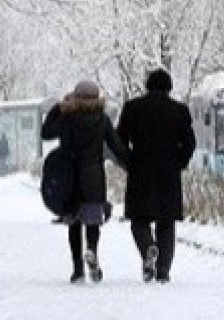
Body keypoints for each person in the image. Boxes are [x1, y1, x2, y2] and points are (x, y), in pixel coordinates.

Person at [41, 80, 128, 283]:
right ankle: (92, 251)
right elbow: (117, 146)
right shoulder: (103, 119)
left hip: (70, 176)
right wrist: (133, 164)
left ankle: (78, 270)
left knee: (74, 222)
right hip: (94, 177)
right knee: (93, 221)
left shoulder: (67, 117)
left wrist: (59, 107)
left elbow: (46, 133)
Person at [116, 68, 197, 284]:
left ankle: (147, 248)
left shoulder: (132, 108)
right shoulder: (180, 111)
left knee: (139, 220)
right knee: (166, 223)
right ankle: (162, 272)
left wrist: (128, 162)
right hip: (169, 173)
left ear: (148, 85)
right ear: (169, 86)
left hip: (140, 170)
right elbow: (190, 143)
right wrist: (179, 162)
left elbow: (119, 140)